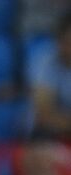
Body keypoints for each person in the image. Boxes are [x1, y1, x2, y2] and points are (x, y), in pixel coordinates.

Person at [28, 12, 71, 141]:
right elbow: (44, 114)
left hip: (64, 123)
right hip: (50, 132)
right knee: (41, 131)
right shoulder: (45, 59)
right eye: (67, 43)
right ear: (58, 41)